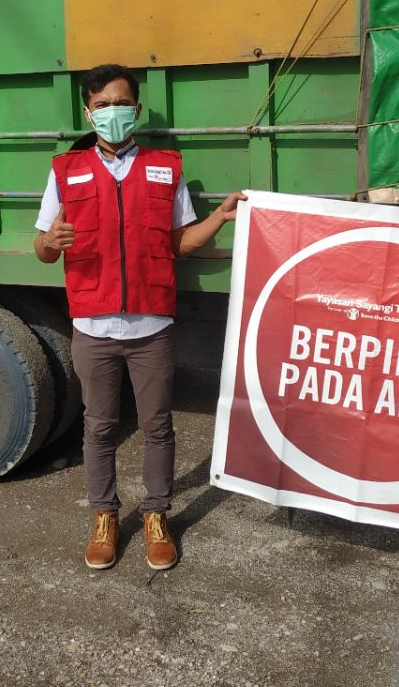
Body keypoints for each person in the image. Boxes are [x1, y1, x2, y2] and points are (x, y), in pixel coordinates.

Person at [34, 64, 245, 571]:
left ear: (138, 109)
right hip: (93, 328)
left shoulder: (165, 167)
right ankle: (104, 515)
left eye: (120, 103)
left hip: (151, 328)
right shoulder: (66, 169)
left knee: (157, 426)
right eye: (101, 105)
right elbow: (42, 246)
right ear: (87, 111)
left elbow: (179, 243)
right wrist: (49, 244)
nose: (111, 112)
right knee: (99, 427)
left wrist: (218, 217)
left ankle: (156, 514)